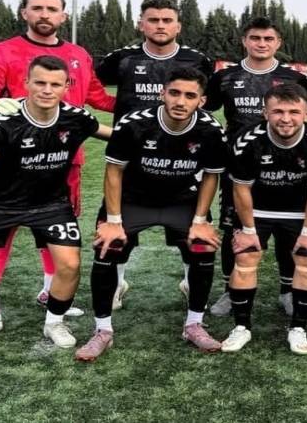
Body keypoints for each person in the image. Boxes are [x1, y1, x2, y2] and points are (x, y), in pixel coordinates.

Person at [0, 56, 111, 361]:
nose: (47, 90)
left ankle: (54, 323)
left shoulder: (76, 118)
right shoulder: (3, 122)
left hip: (51, 206)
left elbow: (113, 135)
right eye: (40, 82)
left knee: (69, 264)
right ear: (26, 83)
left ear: (66, 87)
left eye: (55, 84)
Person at [0, 0, 115, 331]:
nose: (45, 14)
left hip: (64, 160)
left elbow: (97, 97)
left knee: (55, 227)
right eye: (37, 8)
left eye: (52, 9)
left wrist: (148, 108)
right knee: (1, 230)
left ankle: (49, 291)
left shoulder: (78, 54)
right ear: (24, 13)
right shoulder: (3, 51)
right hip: (11, 162)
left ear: (64, 15)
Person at [75, 68, 228, 361]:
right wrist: (113, 221)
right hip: (134, 199)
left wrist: (200, 221)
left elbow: (211, 175)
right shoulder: (134, 124)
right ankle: (102, 330)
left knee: (203, 245)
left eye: (190, 95)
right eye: (174, 93)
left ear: (202, 100)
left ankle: (194, 324)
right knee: (108, 246)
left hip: (182, 200)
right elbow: (114, 171)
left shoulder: (210, 130)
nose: (180, 101)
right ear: (162, 93)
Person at [95, 0, 215, 305]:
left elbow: (207, 101)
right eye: (153, 20)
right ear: (141, 24)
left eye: (166, 20)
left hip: (183, 157)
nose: (160, 26)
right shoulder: (121, 58)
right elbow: (92, 88)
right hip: (130, 157)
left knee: (194, 232)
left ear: (178, 26)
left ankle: (190, 283)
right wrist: (109, 123)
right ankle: (117, 284)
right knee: (116, 231)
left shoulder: (197, 59)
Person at [203, 17, 307, 318]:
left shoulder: (294, 78)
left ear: (278, 43)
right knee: (234, 227)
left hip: (286, 166)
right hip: (237, 167)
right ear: (244, 41)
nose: (261, 44)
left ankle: (287, 290)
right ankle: (230, 290)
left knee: (287, 228)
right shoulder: (225, 77)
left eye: (268, 39)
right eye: (255, 38)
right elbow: (204, 109)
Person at [220, 83, 307, 354]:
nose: (286, 119)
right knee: (245, 257)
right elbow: (241, 189)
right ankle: (241, 327)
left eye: (294, 112)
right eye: (278, 111)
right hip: (257, 208)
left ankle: (298, 328)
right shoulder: (247, 141)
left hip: (300, 210)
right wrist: (248, 230)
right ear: (265, 113)